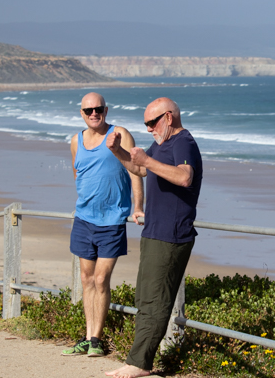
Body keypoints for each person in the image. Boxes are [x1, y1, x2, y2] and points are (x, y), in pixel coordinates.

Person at [105, 97, 203, 378]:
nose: (148, 129)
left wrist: (147, 159)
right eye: (145, 124)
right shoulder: (162, 143)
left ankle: (139, 364)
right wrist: (117, 151)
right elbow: (140, 168)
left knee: (156, 300)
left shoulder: (183, 142)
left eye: (152, 122)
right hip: (154, 231)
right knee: (146, 297)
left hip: (172, 234)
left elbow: (184, 177)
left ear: (168, 117)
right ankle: (138, 360)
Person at [61, 92, 144, 358]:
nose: (94, 113)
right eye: (89, 110)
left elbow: (135, 171)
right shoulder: (76, 140)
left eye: (98, 109)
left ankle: (96, 339)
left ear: (106, 110)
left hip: (112, 220)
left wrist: (138, 206)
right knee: (86, 279)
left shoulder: (120, 134)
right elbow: (78, 173)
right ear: (82, 114)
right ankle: (88, 338)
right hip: (84, 219)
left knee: (100, 279)